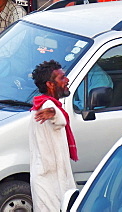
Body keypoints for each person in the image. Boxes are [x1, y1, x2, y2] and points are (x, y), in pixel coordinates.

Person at [29, 60, 77, 212]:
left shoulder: (49, 106)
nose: (67, 80)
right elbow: (59, 119)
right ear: (50, 84)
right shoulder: (46, 107)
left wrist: (55, 112)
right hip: (47, 182)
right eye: (62, 78)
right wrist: (54, 113)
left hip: (56, 179)